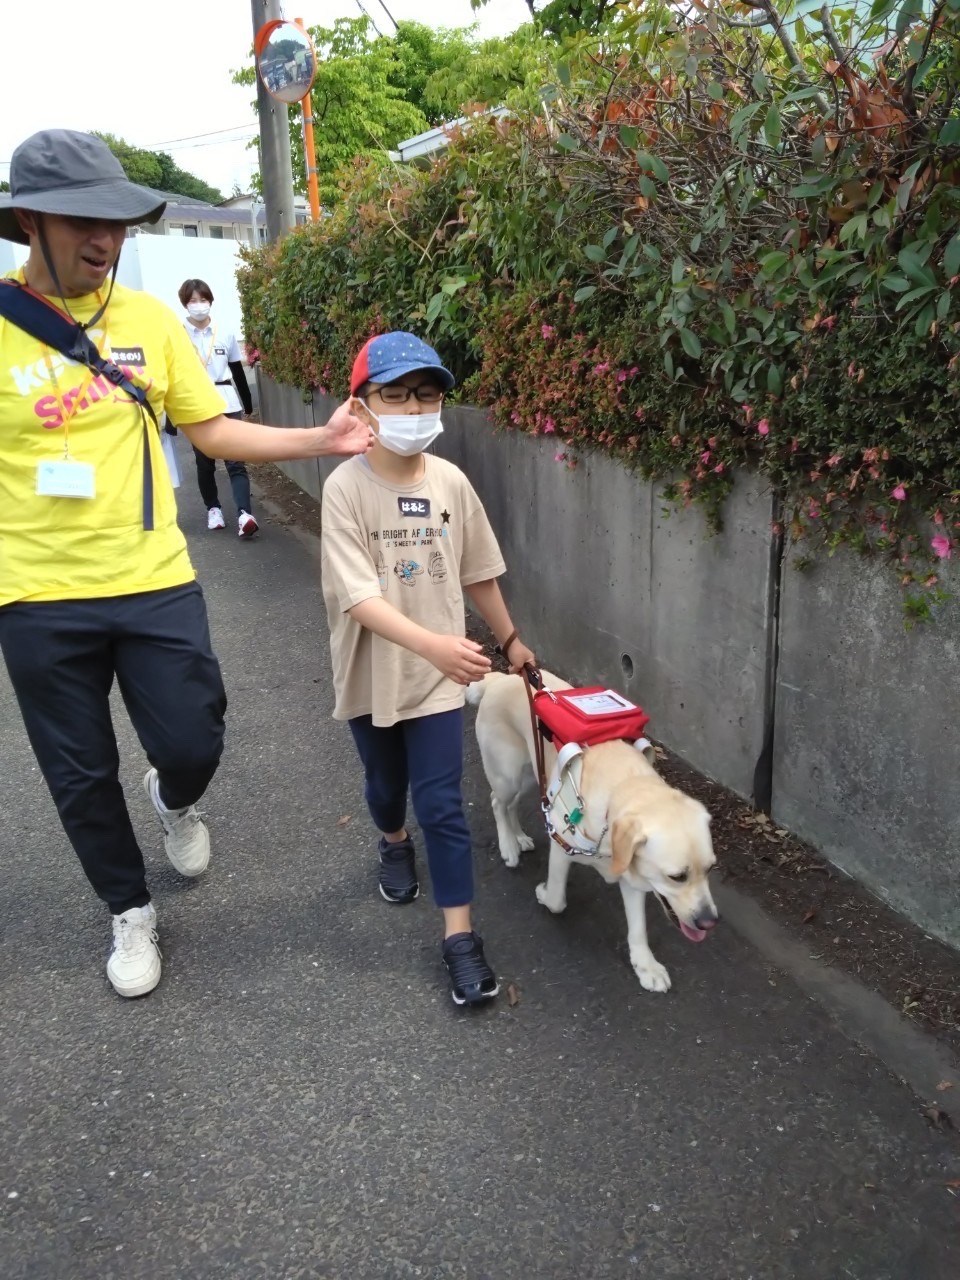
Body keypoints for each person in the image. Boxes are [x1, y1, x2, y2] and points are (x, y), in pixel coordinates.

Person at [0, 129, 375, 999]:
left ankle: (173, 797)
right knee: (79, 770)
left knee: (193, 734)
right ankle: (128, 909)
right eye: (85, 221)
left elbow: (210, 429)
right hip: (35, 593)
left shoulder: (150, 322)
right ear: (29, 221)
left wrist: (318, 439)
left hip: (153, 576)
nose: (107, 239)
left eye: (120, 223)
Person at [320, 332, 536, 1006]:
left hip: (441, 677)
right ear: (361, 406)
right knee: (387, 787)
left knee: (442, 805)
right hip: (371, 675)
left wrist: (510, 639)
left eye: (427, 394)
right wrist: (434, 645)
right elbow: (359, 597)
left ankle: (459, 938)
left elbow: (477, 571)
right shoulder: (343, 489)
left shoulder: (451, 482)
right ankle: (390, 840)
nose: (415, 407)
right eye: (397, 394)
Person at [177, 277, 259, 539]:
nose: (198, 305)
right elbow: (172, 374)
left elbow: (237, 370)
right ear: (185, 304)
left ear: (210, 302)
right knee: (205, 461)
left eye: (203, 300)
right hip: (195, 401)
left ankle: (245, 514)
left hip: (227, 399)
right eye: (192, 301)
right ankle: (213, 509)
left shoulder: (225, 333)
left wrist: (247, 404)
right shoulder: (178, 335)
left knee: (236, 460)